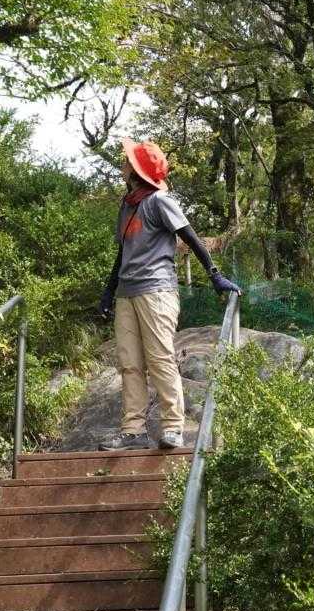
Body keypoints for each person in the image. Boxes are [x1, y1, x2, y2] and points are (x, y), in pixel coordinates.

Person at [97, 138, 240, 451]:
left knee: (160, 358)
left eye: (127, 160)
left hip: (157, 291)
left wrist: (215, 275)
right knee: (130, 363)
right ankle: (133, 431)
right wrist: (108, 293)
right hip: (127, 293)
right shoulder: (127, 205)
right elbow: (123, 254)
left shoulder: (159, 201)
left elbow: (190, 237)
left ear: (136, 170)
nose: (122, 163)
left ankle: (173, 426)